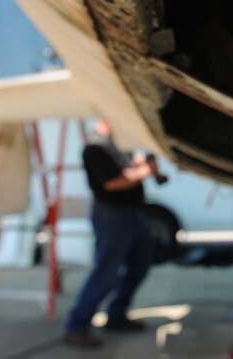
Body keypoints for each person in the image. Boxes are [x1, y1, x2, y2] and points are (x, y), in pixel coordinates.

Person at [63, 119, 165, 348]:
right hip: (112, 216)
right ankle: (77, 326)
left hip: (134, 214)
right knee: (106, 272)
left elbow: (126, 168)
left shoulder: (118, 144)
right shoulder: (95, 148)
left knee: (140, 264)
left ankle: (116, 314)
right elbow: (112, 183)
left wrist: (140, 164)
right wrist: (145, 172)